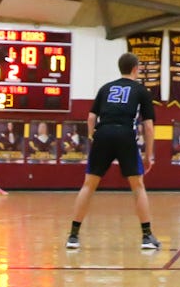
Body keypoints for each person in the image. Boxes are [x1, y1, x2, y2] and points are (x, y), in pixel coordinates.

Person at [67, 53, 159, 252]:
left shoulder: (105, 88)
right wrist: (148, 155)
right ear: (136, 68)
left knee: (89, 185)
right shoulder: (141, 90)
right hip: (125, 134)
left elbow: (91, 118)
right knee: (138, 186)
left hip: (103, 133)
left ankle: (73, 236)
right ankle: (146, 236)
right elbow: (149, 127)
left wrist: (94, 138)